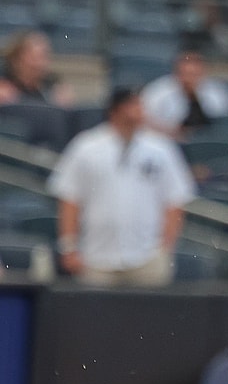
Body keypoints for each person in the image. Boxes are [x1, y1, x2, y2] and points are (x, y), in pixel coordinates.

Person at [47, 86, 197, 287]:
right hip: (95, 257)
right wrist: (69, 248)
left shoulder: (161, 149)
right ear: (116, 110)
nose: (140, 110)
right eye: (133, 104)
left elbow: (175, 200)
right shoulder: (86, 146)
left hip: (147, 257)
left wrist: (164, 248)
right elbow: (69, 199)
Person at [140, 48, 228, 139]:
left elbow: (223, 119)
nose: (190, 77)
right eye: (186, 72)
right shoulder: (158, 90)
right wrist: (172, 131)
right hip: (168, 139)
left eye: (194, 73)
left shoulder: (217, 90)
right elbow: (143, 120)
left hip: (208, 139)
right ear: (177, 69)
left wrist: (195, 95)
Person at [0, 29, 73, 105]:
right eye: (34, 57)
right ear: (16, 58)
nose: (40, 63)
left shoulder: (52, 83)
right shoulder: (3, 78)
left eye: (44, 56)